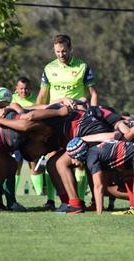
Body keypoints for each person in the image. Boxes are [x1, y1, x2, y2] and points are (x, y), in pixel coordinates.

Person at [35, 34, 100, 208]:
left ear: (70, 49)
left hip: (78, 118)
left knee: (83, 160)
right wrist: (38, 115)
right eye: (57, 51)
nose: (61, 54)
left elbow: (93, 94)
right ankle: (62, 201)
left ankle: (91, 200)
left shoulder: (82, 66)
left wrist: (93, 114)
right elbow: (42, 96)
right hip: (56, 119)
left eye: (64, 51)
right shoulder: (49, 68)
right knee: (53, 160)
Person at [10, 77, 46, 199]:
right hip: (16, 135)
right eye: (21, 89)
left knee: (34, 163)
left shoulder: (36, 99)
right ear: (16, 89)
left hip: (32, 136)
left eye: (26, 89)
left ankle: (39, 193)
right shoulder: (11, 98)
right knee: (16, 164)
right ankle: (13, 192)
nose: (24, 91)